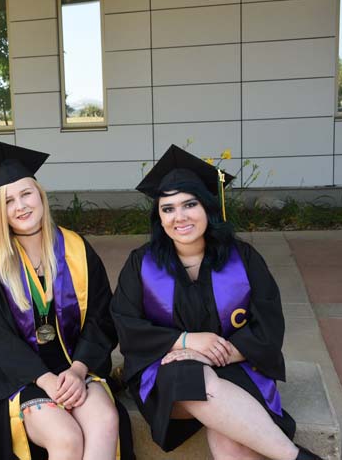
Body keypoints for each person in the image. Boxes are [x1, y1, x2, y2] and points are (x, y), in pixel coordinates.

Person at [110, 144, 323, 460]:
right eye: (167, 209)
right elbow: (125, 323)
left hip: (237, 366)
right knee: (185, 372)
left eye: (189, 204)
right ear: (159, 216)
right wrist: (186, 342)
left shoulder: (244, 258)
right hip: (167, 376)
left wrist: (216, 355)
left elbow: (268, 323)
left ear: (208, 207)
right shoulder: (141, 263)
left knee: (230, 440)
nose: (179, 217)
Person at [0, 142, 133, 460]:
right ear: (1, 212)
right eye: (8, 201)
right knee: (66, 437)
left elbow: (101, 316)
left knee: (105, 420)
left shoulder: (77, 249)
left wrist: (80, 368)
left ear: (40, 195)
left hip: (75, 366)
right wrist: (44, 378)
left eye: (26, 194)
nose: (20, 206)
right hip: (23, 377)